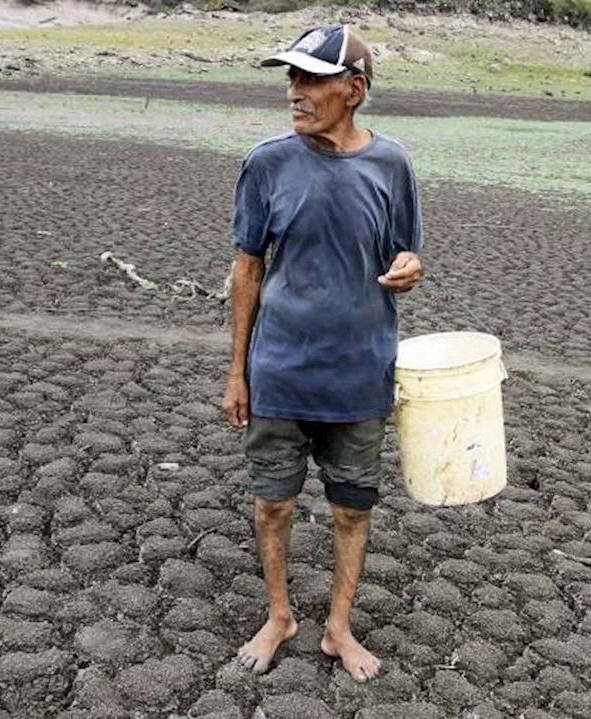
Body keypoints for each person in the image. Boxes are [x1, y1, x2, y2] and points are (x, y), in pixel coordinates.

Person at [221, 24, 424, 683]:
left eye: (310, 79)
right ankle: (280, 615)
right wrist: (238, 370)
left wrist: (410, 266)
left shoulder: (391, 165)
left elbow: (404, 251)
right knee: (273, 501)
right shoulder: (267, 163)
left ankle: (339, 626)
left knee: (351, 506)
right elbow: (247, 269)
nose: (294, 92)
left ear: (355, 90)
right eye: (291, 78)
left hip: (361, 370)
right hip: (279, 366)